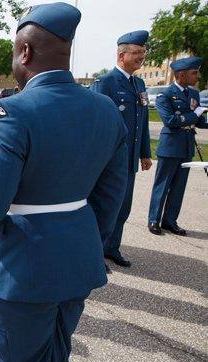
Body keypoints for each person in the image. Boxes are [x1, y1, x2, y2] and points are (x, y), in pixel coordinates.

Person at [0, 3, 128, 362]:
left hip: (24, 271)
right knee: (54, 359)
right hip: (78, 261)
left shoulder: (10, 113)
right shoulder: (106, 110)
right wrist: (84, 239)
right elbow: (112, 196)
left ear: (26, 52)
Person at [91, 30, 152, 269]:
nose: (141, 58)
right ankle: (94, 253)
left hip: (129, 160)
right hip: (108, 162)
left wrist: (145, 152)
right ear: (121, 55)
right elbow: (95, 125)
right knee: (104, 208)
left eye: (143, 54)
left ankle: (111, 248)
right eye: (137, 53)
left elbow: (142, 121)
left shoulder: (139, 83)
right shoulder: (104, 83)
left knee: (123, 208)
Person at [148, 57, 207, 236]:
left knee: (179, 186)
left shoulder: (194, 94)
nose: (198, 76)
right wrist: (194, 115)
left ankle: (170, 221)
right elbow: (170, 120)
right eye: (194, 73)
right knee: (162, 185)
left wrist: (201, 117)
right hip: (170, 146)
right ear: (181, 75)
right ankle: (153, 220)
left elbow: (200, 122)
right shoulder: (165, 95)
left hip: (187, 146)